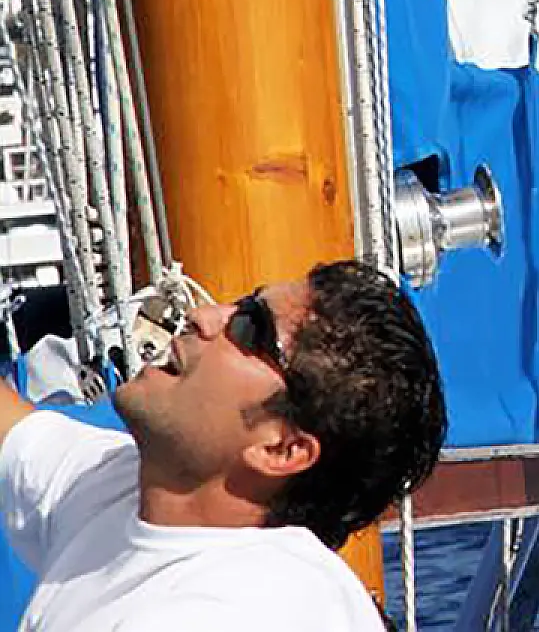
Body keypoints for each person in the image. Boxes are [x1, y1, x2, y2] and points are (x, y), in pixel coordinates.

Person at [0, 259, 446, 631]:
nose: (204, 315)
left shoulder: (244, 610)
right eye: (242, 305)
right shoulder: (125, 486)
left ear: (281, 449)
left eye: (250, 329)